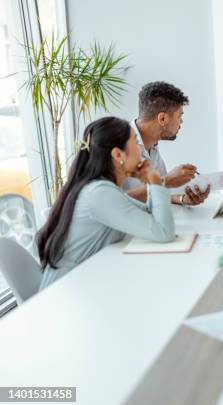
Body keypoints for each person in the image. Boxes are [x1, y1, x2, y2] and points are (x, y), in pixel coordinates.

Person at [37, 117, 176, 290]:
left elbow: (148, 217)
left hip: (84, 284)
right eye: (134, 141)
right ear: (118, 155)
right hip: (63, 295)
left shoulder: (104, 188)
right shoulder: (99, 193)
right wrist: (155, 180)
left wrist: (151, 183)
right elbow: (163, 232)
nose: (141, 150)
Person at [123, 81, 210, 206]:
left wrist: (181, 199)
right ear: (162, 119)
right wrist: (166, 181)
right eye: (179, 116)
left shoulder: (152, 145)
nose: (181, 122)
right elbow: (111, 203)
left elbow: (153, 193)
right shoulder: (117, 143)